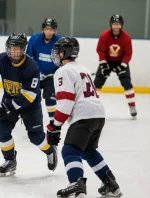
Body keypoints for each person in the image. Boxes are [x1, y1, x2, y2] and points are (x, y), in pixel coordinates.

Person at [47, 37, 122, 197]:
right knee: (88, 150)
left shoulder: (63, 71)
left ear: (63, 53)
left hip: (84, 115)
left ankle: (76, 183)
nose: (55, 54)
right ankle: (110, 183)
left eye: (57, 51)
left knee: (69, 150)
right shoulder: (83, 69)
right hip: (98, 114)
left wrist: (55, 125)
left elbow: (66, 101)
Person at [0, 32, 58, 177]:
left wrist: (6, 107)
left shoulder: (31, 66)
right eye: (12, 48)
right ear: (7, 48)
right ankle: (10, 160)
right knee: (1, 132)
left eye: (19, 48)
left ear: (24, 49)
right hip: (9, 101)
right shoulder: (0, 60)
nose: (15, 52)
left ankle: (50, 150)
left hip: (30, 106)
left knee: (36, 138)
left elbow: (29, 95)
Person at [94, 14, 137, 118]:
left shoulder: (126, 37)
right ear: (111, 25)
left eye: (118, 24)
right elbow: (100, 51)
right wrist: (104, 65)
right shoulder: (104, 35)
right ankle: (93, 107)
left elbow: (128, 53)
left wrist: (122, 66)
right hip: (107, 61)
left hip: (121, 62)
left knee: (126, 83)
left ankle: (132, 107)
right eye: (114, 24)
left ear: (121, 25)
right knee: (97, 83)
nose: (116, 26)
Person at [27, 18, 62, 120]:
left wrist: (56, 73)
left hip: (51, 75)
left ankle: (53, 122)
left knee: (49, 97)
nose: (49, 32)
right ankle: (31, 119)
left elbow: (63, 61)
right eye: (47, 29)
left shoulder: (60, 42)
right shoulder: (35, 39)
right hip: (36, 74)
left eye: (51, 29)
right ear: (43, 29)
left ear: (55, 30)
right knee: (31, 97)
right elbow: (29, 57)